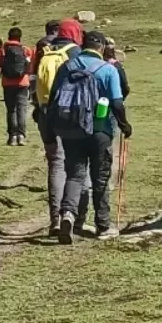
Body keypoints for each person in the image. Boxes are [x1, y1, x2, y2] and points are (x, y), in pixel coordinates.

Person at [47, 29, 132, 244]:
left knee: (75, 174)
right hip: (99, 130)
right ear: (101, 47)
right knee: (100, 177)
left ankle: (68, 215)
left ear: (82, 45)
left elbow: (54, 98)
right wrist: (124, 125)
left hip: (71, 129)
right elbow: (117, 102)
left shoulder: (67, 66)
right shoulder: (107, 69)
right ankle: (103, 225)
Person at [33, 18, 85, 235]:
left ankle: (54, 219)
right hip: (68, 115)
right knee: (75, 165)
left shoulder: (45, 51)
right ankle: (70, 214)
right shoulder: (75, 53)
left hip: (45, 113)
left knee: (55, 163)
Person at [0, 26, 34, 146]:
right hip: (23, 83)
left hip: (8, 84)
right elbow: (30, 67)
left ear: (9, 36)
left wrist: (0, 50)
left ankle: (12, 137)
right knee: (22, 109)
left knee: (11, 110)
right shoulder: (25, 50)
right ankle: (21, 136)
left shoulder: (4, 50)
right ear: (20, 37)